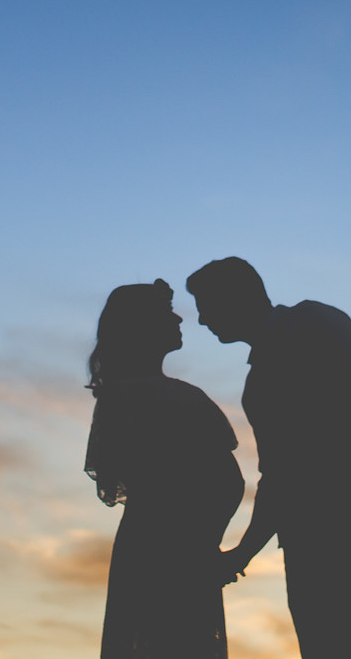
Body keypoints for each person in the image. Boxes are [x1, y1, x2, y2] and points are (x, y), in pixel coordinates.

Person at [187, 257, 351, 659]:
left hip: (345, 515)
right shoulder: (256, 384)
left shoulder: (315, 321)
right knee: (324, 641)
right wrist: (243, 552)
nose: (201, 320)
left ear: (236, 298)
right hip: (309, 527)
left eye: (206, 307)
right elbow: (279, 476)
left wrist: (243, 552)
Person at [85, 279, 245, 659]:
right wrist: (208, 547)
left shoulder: (115, 399)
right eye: (166, 313)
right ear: (143, 327)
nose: (178, 319)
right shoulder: (180, 399)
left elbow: (117, 482)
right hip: (184, 554)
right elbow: (229, 482)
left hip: (141, 548)